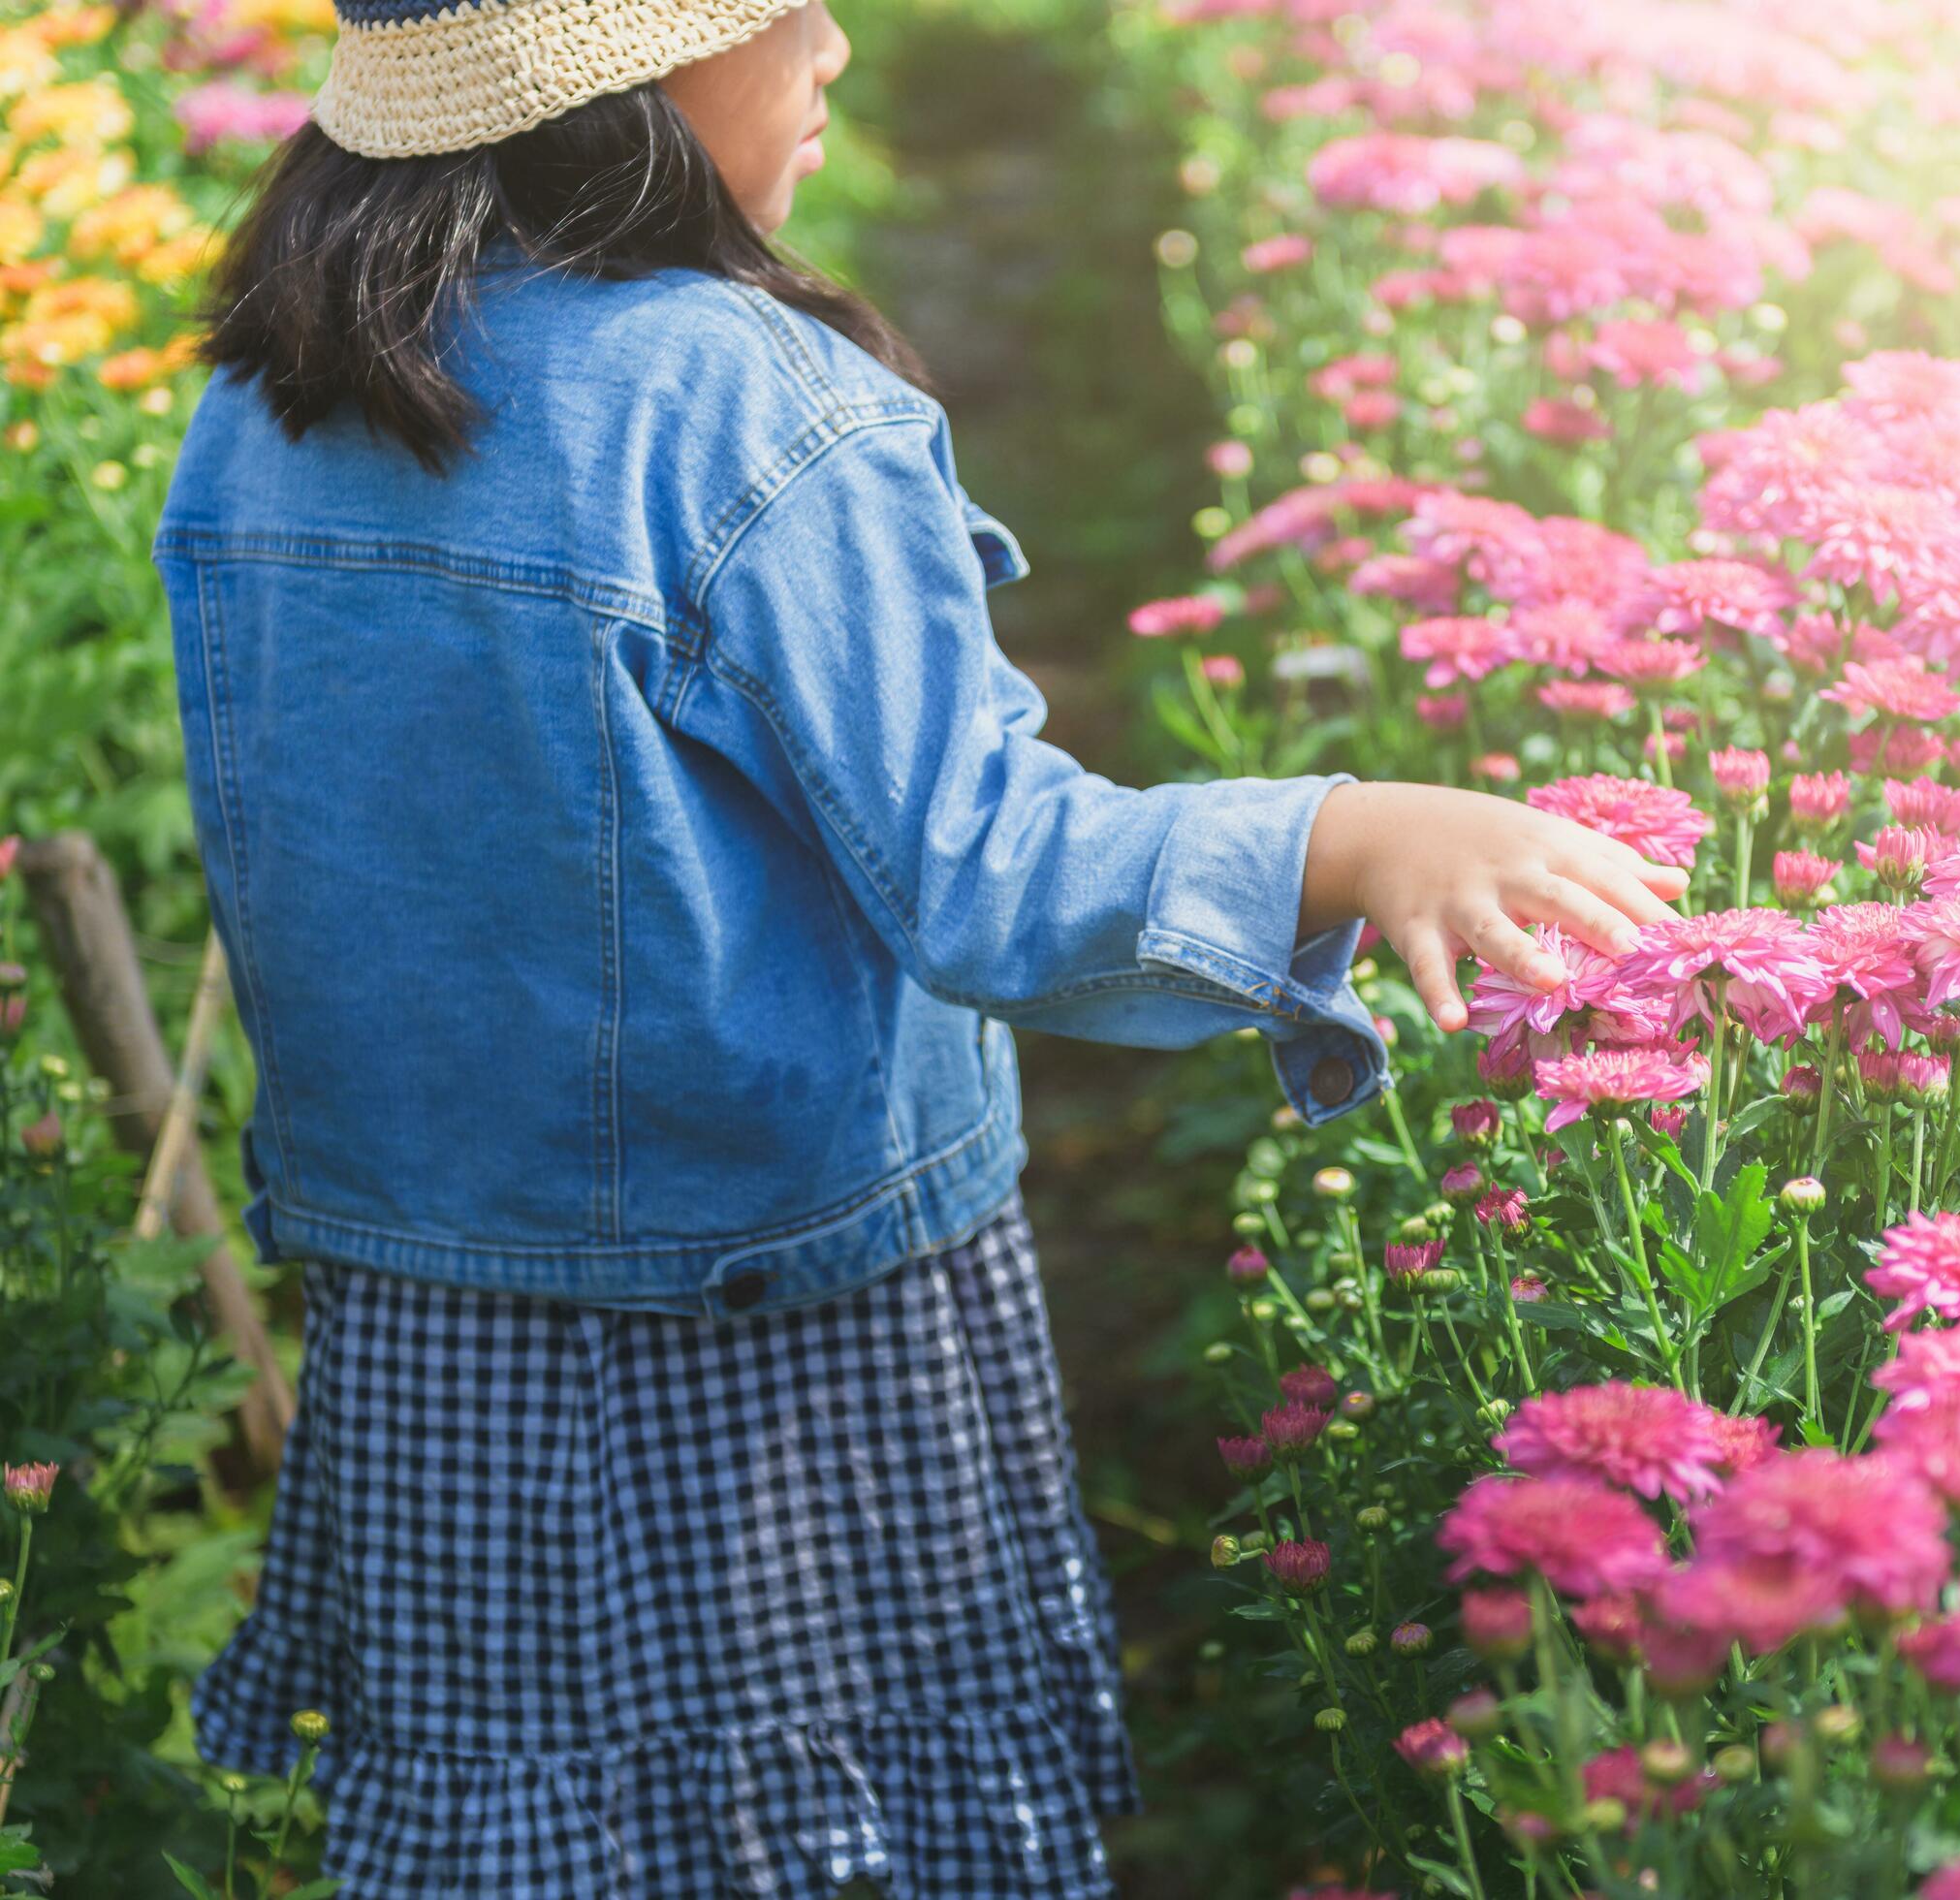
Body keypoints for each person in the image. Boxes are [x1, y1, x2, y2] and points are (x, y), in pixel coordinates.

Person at [156, 2, 1684, 1892]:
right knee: (817, 1823)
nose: (833, 48)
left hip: (430, 1315)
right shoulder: (745, 404)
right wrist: (1346, 833)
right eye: (774, 14)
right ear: (609, 80)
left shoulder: (266, 409)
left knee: (519, 1827)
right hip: (774, 1330)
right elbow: (987, 871)